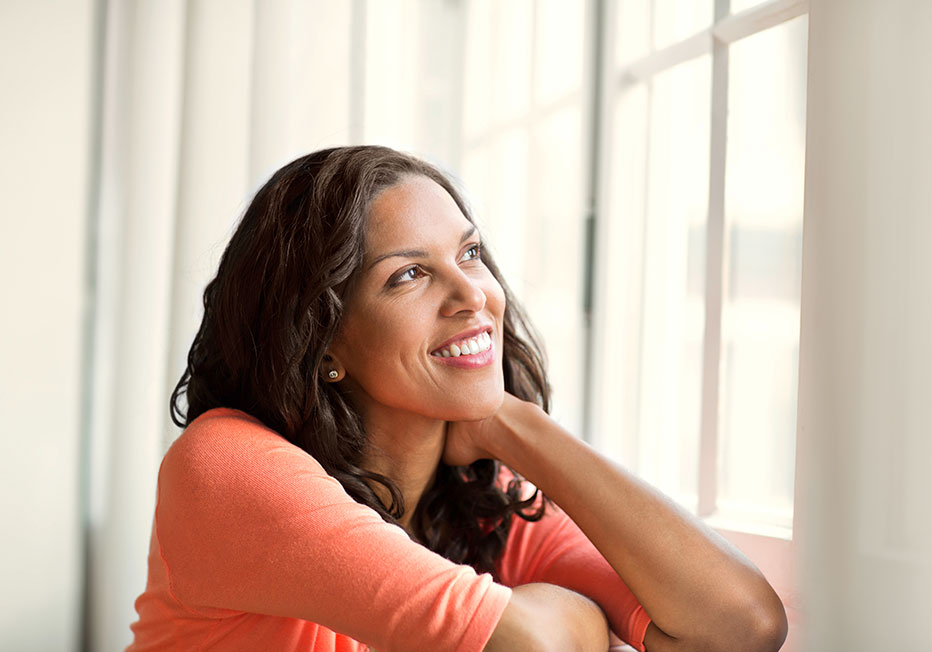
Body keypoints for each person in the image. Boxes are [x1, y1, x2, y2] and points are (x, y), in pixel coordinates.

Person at [127, 146, 787, 652]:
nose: (474, 295)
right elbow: (531, 647)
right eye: (409, 274)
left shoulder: (480, 501)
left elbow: (742, 625)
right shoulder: (226, 463)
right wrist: (575, 615)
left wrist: (512, 423)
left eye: (469, 253)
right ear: (321, 338)